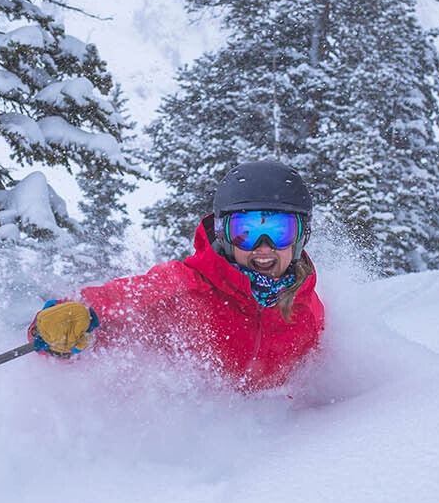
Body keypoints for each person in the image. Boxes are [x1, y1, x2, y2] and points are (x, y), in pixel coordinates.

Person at [28, 159, 325, 391]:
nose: (264, 248)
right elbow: (115, 303)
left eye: (279, 232)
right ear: (223, 234)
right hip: (200, 456)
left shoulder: (308, 308)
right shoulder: (182, 289)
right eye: (245, 232)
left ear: (302, 236)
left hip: (283, 452)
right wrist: (60, 325)